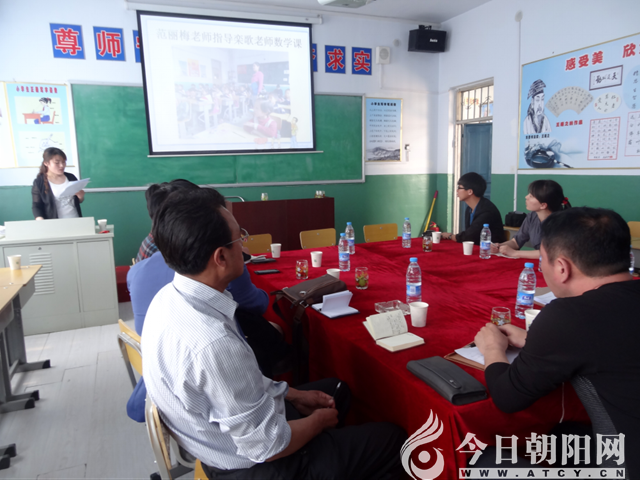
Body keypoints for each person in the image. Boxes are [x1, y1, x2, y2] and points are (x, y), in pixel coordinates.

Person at [142, 188, 407, 479]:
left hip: (223, 437)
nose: (244, 244)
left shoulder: (168, 298)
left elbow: (239, 385)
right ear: (221, 257)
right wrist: (318, 422)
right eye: (239, 238)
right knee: (394, 441)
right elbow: (268, 446)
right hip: (253, 467)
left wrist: (292, 394)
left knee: (337, 390)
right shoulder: (213, 343)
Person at [474, 207, 639, 475]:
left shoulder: (572, 315)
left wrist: (493, 349)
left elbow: (507, 398)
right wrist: (534, 339)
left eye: (543, 261)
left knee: (480, 460)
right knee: (564, 435)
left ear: (562, 268)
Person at [491, 179, 570, 259]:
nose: (526, 197)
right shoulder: (532, 216)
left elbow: (550, 253)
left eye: (531, 196)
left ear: (543, 205)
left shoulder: (561, 223)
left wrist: (515, 253)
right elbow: (516, 242)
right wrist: (498, 246)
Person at [441, 172, 504, 244]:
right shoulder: (469, 209)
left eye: (459, 188)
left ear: (470, 191)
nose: (457, 191)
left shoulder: (487, 211)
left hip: (490, 249)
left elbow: (469, 236)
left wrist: (450, 236)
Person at [31, 147, 84, 220]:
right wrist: (40, 219)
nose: (62, 165)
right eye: (57, 163)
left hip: (76, 219)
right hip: (55, 223)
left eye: (63, 162)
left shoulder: (71, 177)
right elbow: (36, 205)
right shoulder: (39, 182)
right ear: (46, 163)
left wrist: (80, 197)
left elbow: (77, 201)